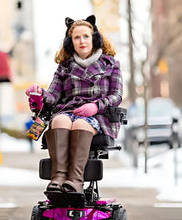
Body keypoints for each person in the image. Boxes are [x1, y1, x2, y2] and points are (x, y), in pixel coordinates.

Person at [25, 15, 123, 197]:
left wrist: (95, 106)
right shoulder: (64, 67)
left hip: (97, 115)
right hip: (69, 110)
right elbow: (53, 96)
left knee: (80, 124)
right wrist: (39, 93)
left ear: (94, 38)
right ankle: (58, 178)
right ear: (71, 42)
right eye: (77, 37)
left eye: (85, 36)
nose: (82, 41)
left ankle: (76, 181)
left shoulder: (111, 65)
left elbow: (116, 96)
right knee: (60, 120)